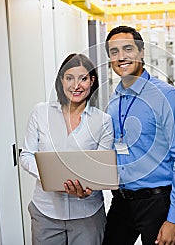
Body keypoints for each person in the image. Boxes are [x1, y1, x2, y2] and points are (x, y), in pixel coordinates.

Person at [102, 25, 175, 245]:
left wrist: (174, 219)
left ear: (142, 52)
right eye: (114, 52)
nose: (121, 57)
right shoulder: (114, 100)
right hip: (121, 202)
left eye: (128, 49)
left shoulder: (167, 96)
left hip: (156, 203)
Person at [20, 53, 114, 245]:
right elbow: (27, 155)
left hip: (87, 214)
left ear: (92, 81)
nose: (76, 85)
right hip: (46, 212)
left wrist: (89, 188)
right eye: (69, 78)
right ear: (61, 80)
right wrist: (51, 177)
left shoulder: (103, 121)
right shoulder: (41, 112)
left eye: (83, 78)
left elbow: (102, 168)